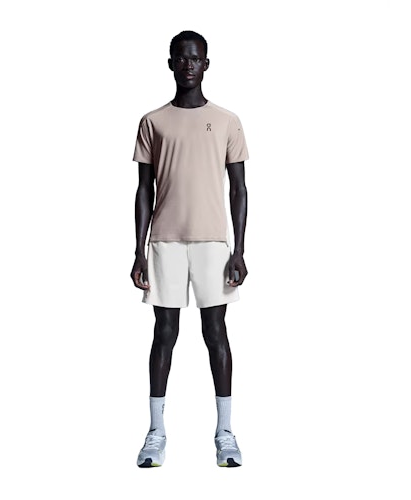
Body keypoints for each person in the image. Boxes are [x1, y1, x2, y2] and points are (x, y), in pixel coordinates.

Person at [131, 30, 249, 468]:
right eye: (180, 58)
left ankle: (225, 432)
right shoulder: (153, 121)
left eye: (195, 59)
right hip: (164, 241)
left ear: (206, 64)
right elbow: (144, 190)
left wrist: (239, 249)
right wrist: (138, 251)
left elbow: (239, 189)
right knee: (164, 333)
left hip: (213, 243)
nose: (188, 65)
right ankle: (155, 432)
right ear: (170, 63)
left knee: (215, 333)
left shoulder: (227, 121)